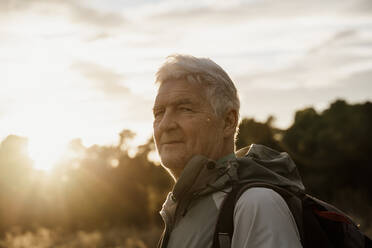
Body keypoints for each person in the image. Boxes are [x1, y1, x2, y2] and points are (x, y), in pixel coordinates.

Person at [153, 54, 303, 248]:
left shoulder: (256, 205)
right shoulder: (179, 209)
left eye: (185, 109)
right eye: (159, 113)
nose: (165, 125)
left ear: (228, 122)